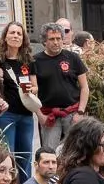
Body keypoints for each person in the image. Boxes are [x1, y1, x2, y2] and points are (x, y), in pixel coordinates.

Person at [0, 21, 39, 178]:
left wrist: (31, 89)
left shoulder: (28, 61)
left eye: (19, 33)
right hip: (6, 114)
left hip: (26, 114)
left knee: (25, 156)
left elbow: (36, 87)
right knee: (7, 155)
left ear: (23, 39)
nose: (15, 36)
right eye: (12, 32)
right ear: (5, 37)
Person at [33, 24, 89, 153]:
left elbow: (84, 87)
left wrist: (80, 112)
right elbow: (32, 94)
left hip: (72, 113)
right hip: (49, 115)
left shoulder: (73, 58)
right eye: (52, 39)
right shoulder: (35, 61)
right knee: (49, 152)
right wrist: (40, 115)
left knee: (75, 152)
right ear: (44, 41)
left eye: (58, 38)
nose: (56, 42)